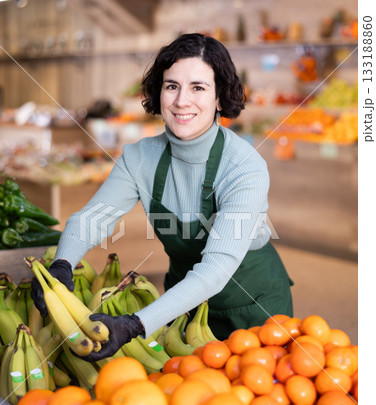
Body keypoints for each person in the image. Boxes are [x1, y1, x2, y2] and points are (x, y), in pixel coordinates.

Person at [32, 33, 293, 361]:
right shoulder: (139, 157)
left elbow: (215, 268)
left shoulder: (244, 166)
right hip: (183, 304)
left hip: (255, 308)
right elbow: (90, 219)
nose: (182, 101)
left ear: (219, 97)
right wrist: (62, 263)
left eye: (198, 87)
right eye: (172, 86)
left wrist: (134, 325)